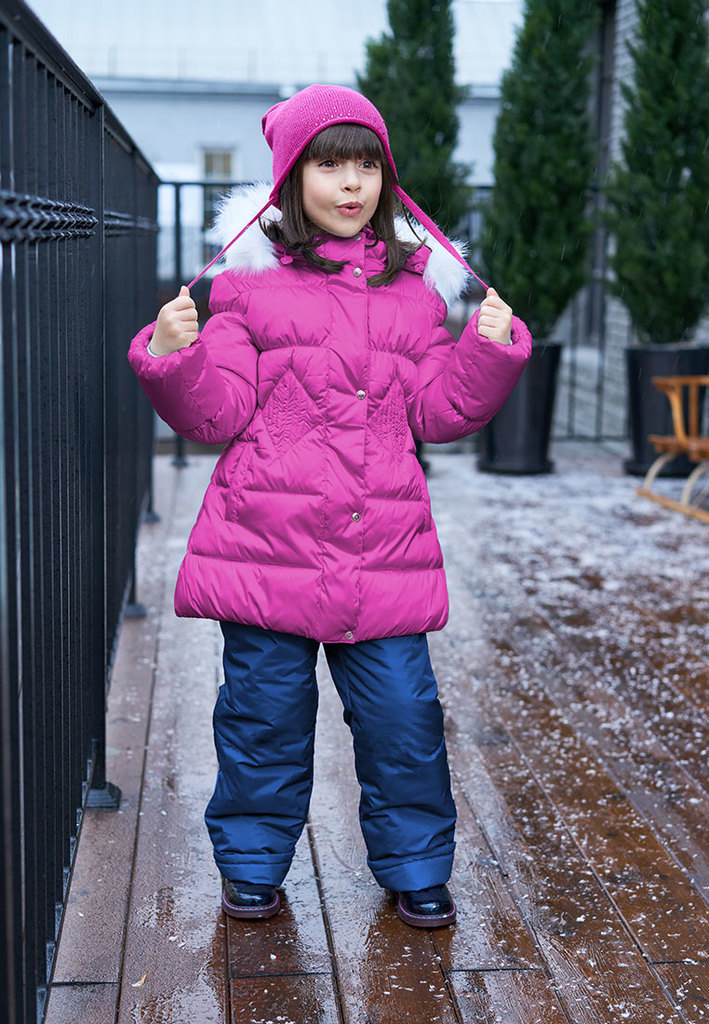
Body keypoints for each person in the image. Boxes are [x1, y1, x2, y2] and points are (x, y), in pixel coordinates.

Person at [128, 84, 532, 929]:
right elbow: (216, 414)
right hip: (266, 547)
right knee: (262, 717)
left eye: (366, 167)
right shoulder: (246, 288)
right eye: (328, 166)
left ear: (386, 180)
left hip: (380, 547)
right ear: (290, 178)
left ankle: (416, 865)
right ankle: (251, 862)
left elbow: (437, 411)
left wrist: (485, 354)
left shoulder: (413, 291)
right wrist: (173, 356)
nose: (350, 184)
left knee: (403, 718)